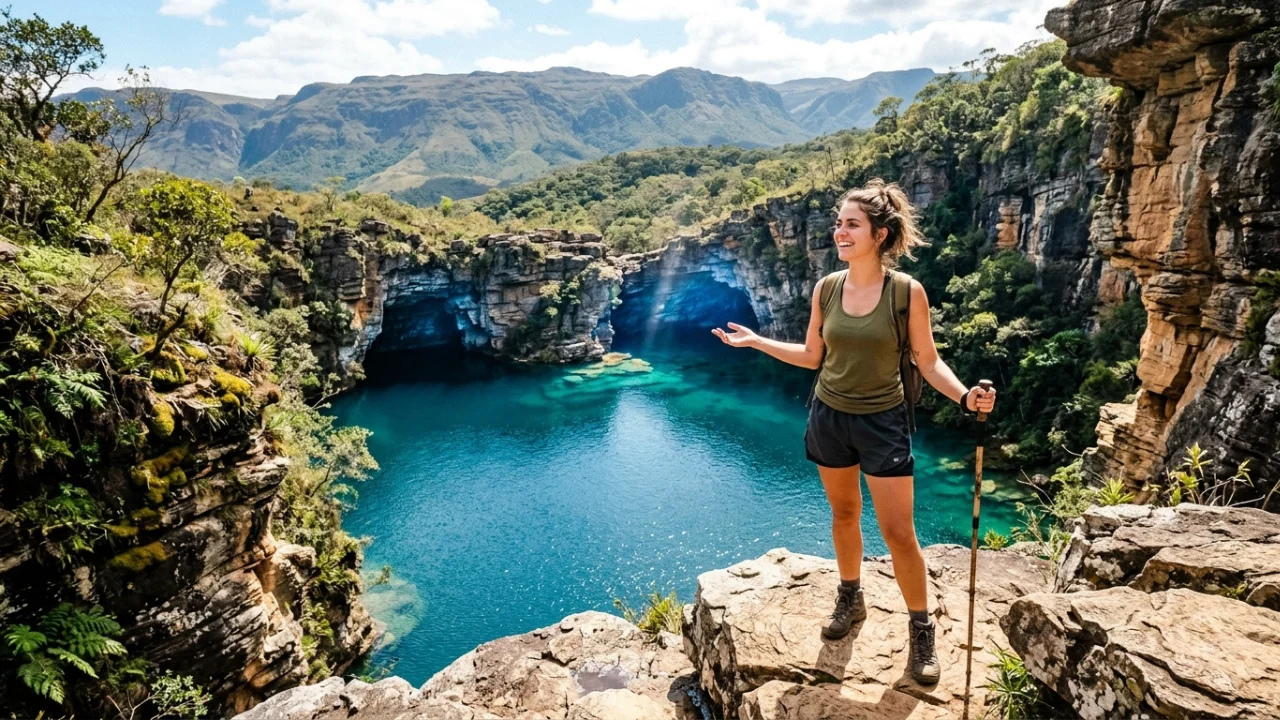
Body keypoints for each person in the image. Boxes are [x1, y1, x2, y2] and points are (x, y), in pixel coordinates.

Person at [710, 178, 996, 685]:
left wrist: (965, 398)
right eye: (839, 223)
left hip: (883, 423)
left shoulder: (906, 293)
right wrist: (756, 342)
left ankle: (920, 628)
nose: (839, 232)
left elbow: (928, 363)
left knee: (898, 532)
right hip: (829, 416)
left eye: (851, 225)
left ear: (880, 235)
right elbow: (813, 356)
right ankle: (851, 596)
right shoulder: (828, 288)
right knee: (843, 514)